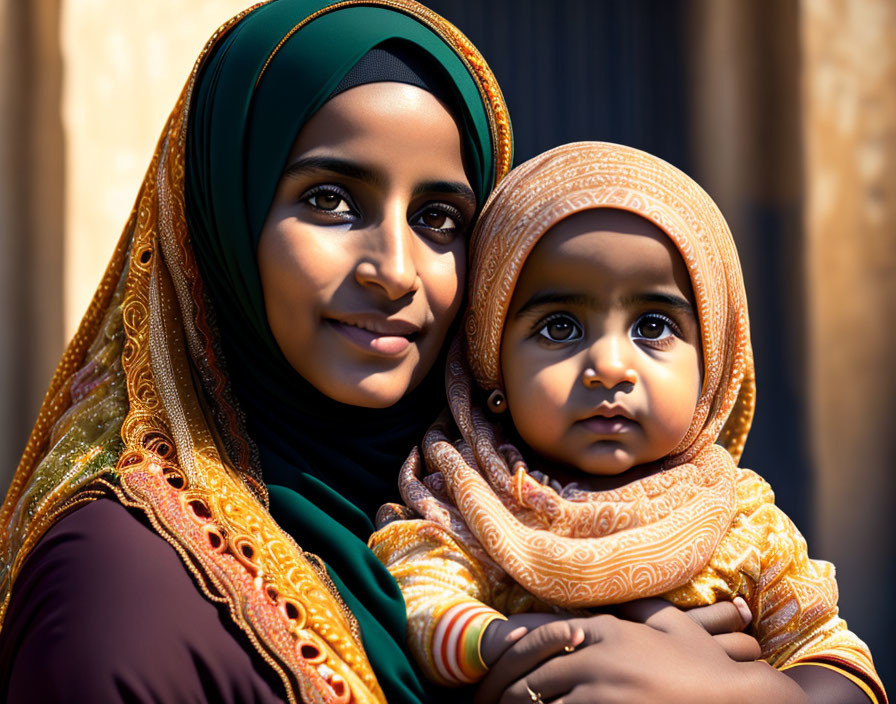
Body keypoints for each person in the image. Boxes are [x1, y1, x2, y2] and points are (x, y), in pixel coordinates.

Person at [0, 1, 512, 701]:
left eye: (438, 218)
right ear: (223, 224)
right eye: (331, 200)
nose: (395, 270)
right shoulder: (121, 587)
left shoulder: (524, 523)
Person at [370, 141, 888, 703]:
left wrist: (746, 695)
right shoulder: (466, 503)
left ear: (710, 368)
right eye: (560, 328)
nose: (610, 367)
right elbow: (418, 599)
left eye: (654, 326)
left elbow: (836, 661)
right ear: (491, 361)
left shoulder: (744, 523)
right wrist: (517, 642)